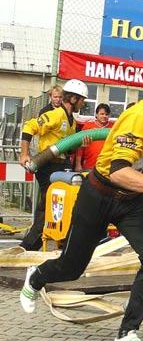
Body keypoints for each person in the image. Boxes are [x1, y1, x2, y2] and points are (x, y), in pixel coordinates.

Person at [20, 57, 143, 341]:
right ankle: (36, 276)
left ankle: (127, 334)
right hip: (99, 195)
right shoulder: (140, 116)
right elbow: (118, 170)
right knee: (72, 267)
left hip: (131, 202)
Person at [19, 79, 89, 251]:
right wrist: (24, 154)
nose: (83, 103)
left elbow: (67, 147)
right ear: (73, 99)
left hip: (61, 166)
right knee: (50, 206)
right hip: (48, 165)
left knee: (59, 204)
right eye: (82, 99)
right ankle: (28, 247)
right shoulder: (56, 114)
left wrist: (80, 144)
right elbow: (29, 126)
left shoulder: (71, 121)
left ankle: (51, 243)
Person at [75, 103, 112, 172]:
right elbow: (80, 147)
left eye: (106, 114)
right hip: (89, 166)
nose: (104, 116)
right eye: (102, 114)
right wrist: (78, 164)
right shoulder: (88, 126)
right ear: (96, 114)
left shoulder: (113, 127)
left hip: (107, 168)